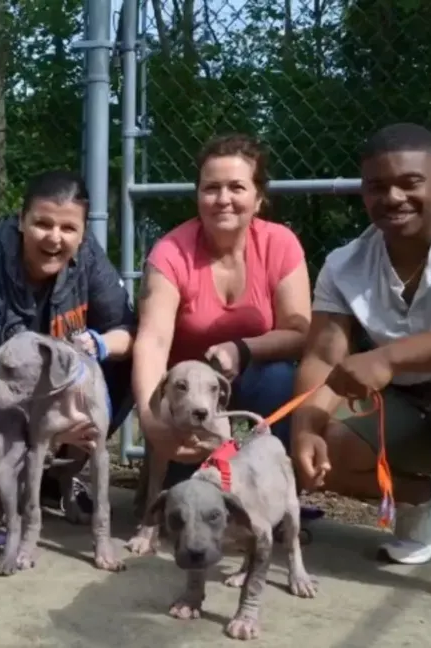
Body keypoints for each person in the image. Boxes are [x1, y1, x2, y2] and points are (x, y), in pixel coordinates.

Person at [290, 122, 431, 623]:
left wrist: (388, 358)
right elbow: (324, 357)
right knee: (321, 437)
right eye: (376, 186)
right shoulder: (345, 263)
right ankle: (428, 502)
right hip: (406, 409)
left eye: (408, 182)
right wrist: (305, 427)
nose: (392, 196)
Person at [0, 169, 137, 553]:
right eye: (42, 223)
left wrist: (100, 344)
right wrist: (52, 424)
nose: (55, 238)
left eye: (68, 228)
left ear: (82, 231)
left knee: (130, 365)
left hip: (50, 400)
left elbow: (126, 329)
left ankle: (61, 473)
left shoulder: (87, 253)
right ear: (21, 219)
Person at [130, 133, 313, 542]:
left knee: (281, 377)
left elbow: (301, 332)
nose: (223, 198)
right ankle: (171, 486)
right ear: (198, 194)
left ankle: (265, 500)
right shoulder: (171, 251)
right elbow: (153, 340)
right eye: (211, 188)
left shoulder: (280, 244)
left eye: (236, 187)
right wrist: (150, 418)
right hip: (188, 405)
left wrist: (243, 349)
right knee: (183, 504)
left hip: (250, 395)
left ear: (258, 196)